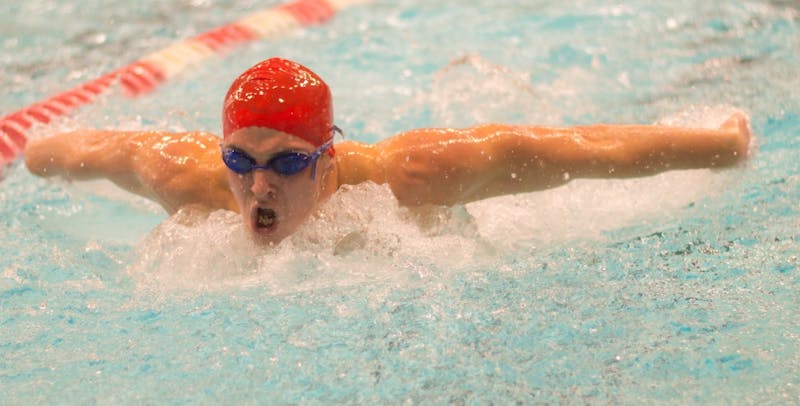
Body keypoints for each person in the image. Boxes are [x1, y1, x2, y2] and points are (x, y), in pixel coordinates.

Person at [24, 57, 753, 245]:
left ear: (330, 160)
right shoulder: (187, 176)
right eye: (241, 162)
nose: (258, 187)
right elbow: (89, 150)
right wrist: (26, 151)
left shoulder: (410, 176)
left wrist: (717, 146)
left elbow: (575, 146)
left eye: (286, 162)